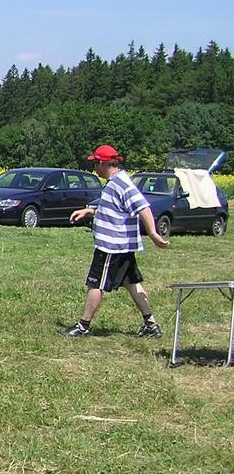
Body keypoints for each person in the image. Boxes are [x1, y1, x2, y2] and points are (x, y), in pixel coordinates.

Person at [65, 144, 168, 337]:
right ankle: (151, 325)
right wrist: (89, 211)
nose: (94, 168)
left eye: (96, 163)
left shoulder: (121, 183)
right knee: (131, 283)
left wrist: (153, 234)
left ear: (104, 163)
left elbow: (143, 207)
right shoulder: (114, 182)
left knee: (96, 284)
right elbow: (115, 209)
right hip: (122, 247)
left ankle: (83, 326)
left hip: (111, 247)